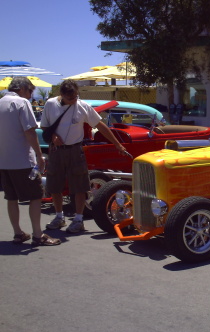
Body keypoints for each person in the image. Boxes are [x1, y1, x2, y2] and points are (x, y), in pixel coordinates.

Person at [40, 79, 127, 233]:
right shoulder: (50, 104)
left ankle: (78, 219)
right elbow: (44, 126)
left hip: (75, 150)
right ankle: (59, 217)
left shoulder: (82, 106)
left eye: (75, 97)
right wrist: (53, 136)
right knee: (54, 184)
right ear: (61, 95)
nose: (74, 101)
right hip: (56, 151)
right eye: (70, 99)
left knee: (80, 185)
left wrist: (117, 144)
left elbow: (100, 125)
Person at [0, 77, 61, 246]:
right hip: (22, 161)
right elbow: (30, 132)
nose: (30, 96)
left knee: (11, 198)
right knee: (35, 196)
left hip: (4, 161)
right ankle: (38, 234)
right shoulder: (21, 103)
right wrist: (39, 155)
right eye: (30, 91)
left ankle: (18, 233)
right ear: (23, 89)